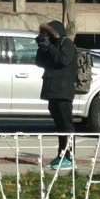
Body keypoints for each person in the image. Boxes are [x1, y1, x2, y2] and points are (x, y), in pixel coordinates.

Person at [35, 20, 78, 170]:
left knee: (67, 125)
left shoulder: (67, 44)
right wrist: (42, 47)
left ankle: (70, 158)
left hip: (64, 91)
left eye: (48, 34)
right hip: (52, 90)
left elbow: (62, 60)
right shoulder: (52, 46)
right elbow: (39, 62)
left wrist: (49, 46)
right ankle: (61, 155)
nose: (46, 37)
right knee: (60, 126)